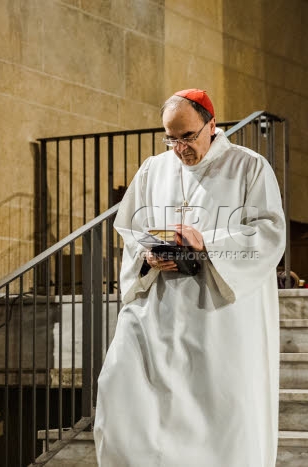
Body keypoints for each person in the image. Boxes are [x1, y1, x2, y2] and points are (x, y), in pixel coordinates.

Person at [93, 89, 286, 466]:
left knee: (216, 415)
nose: (179, 148)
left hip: (215, 313)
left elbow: (269, 232)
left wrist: (206, 245)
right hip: (157, 308)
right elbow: (129, 229)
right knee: (120, 388)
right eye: (171, 138)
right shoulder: (154, 169)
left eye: (187, 136)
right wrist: (148, 254)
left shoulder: (248, 166)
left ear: (211, 125)